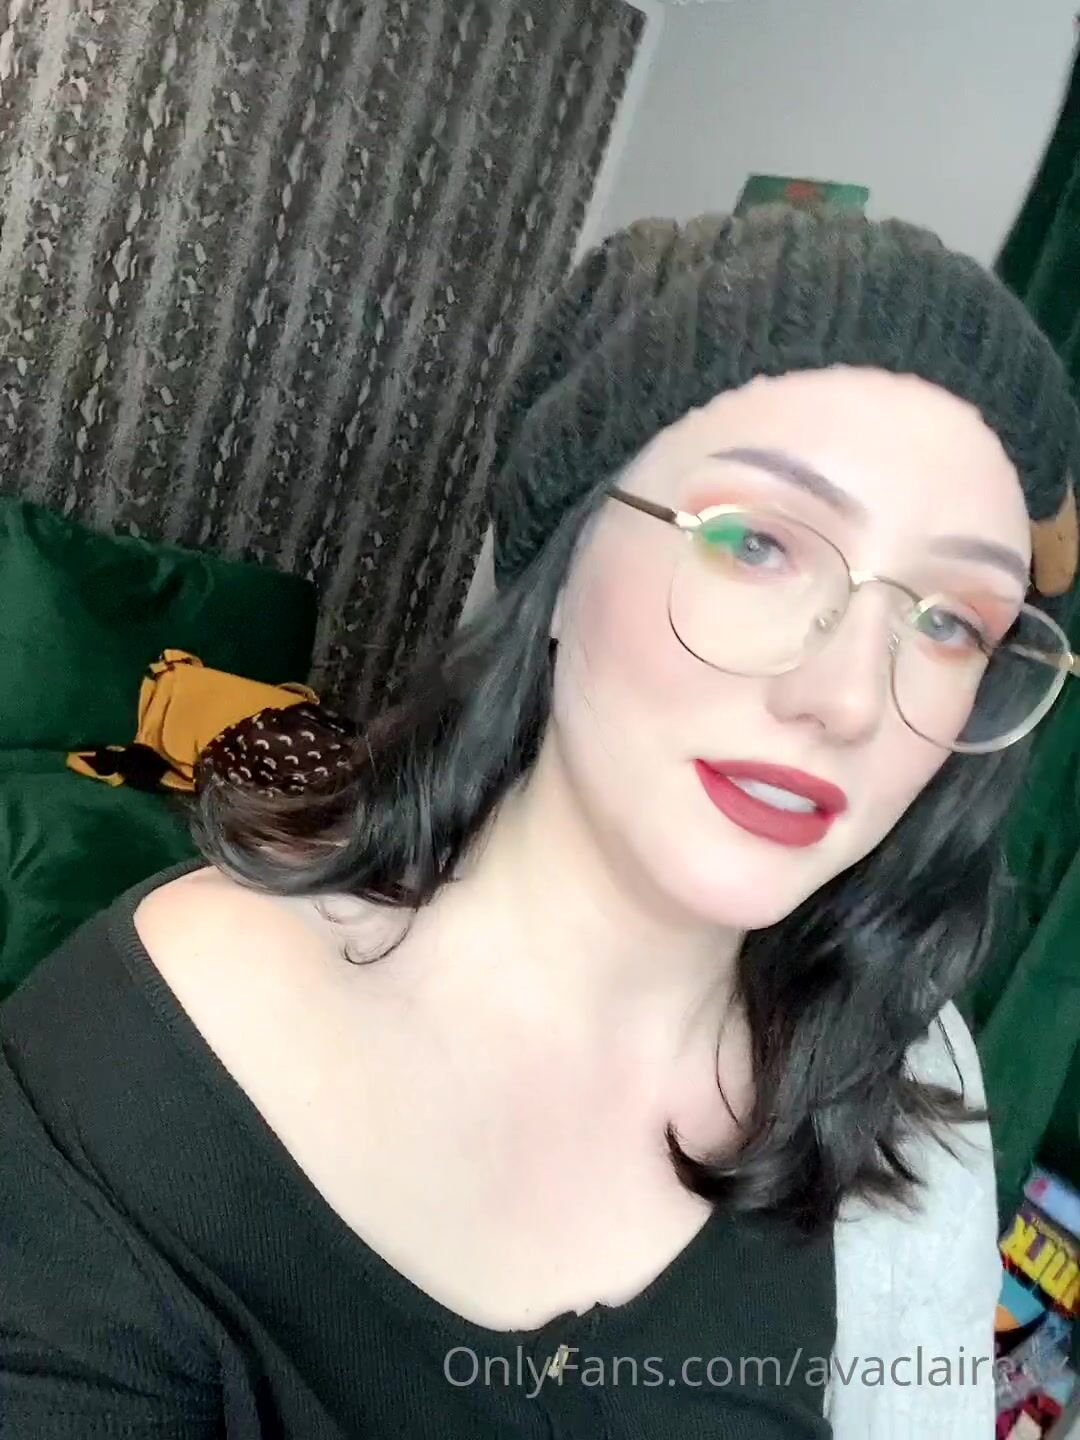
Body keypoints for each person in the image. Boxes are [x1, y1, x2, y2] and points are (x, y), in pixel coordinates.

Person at [3, 205, 1079, 1440]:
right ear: (560, 564)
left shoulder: (910, 1067)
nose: (847, 700)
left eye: (950, 622)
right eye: (756, 544)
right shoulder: (139, 1069)